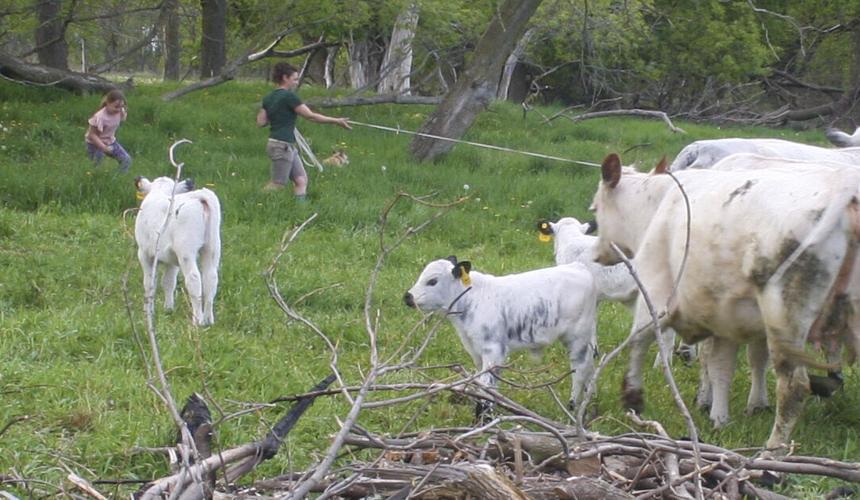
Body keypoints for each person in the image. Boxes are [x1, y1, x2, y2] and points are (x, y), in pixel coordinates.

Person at [257, 62, 351, 199]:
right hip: (281, 146)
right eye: (294, 79)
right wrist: (336, 121)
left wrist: (279, 115)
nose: (296, 82)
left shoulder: (269, 97)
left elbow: (261, 122)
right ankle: (255, 199)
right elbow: (310, 116)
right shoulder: (289, 97)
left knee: (301, 180)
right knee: (277, 184)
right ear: (285, 78)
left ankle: (301, 210)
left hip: (284, 145)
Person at [85, 89, 132, 173]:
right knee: (96, 167)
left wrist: (123, 113)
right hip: (95, 144)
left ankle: (117, 178)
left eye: (122, 106)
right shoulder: (100, 117)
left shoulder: (120, 111)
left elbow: (122, 118)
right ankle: (95, 180)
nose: (119, 109)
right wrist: (103, 147)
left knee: (126, 160)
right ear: (107, 103)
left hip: (110, 141)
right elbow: (92, 135)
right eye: (116, 107)